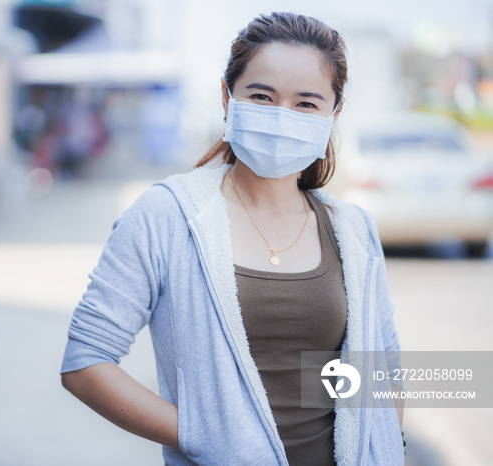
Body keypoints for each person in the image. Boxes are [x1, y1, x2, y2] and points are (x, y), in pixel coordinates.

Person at [60, 12, 405, 466]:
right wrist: (202, 437)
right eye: (262, 97)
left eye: (306, 104)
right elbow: (86, 362)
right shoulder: (166, 216)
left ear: (333, 113)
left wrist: (385, 445)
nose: (282, 118)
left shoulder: (354, 228)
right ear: (227, 98)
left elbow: (383, 367)